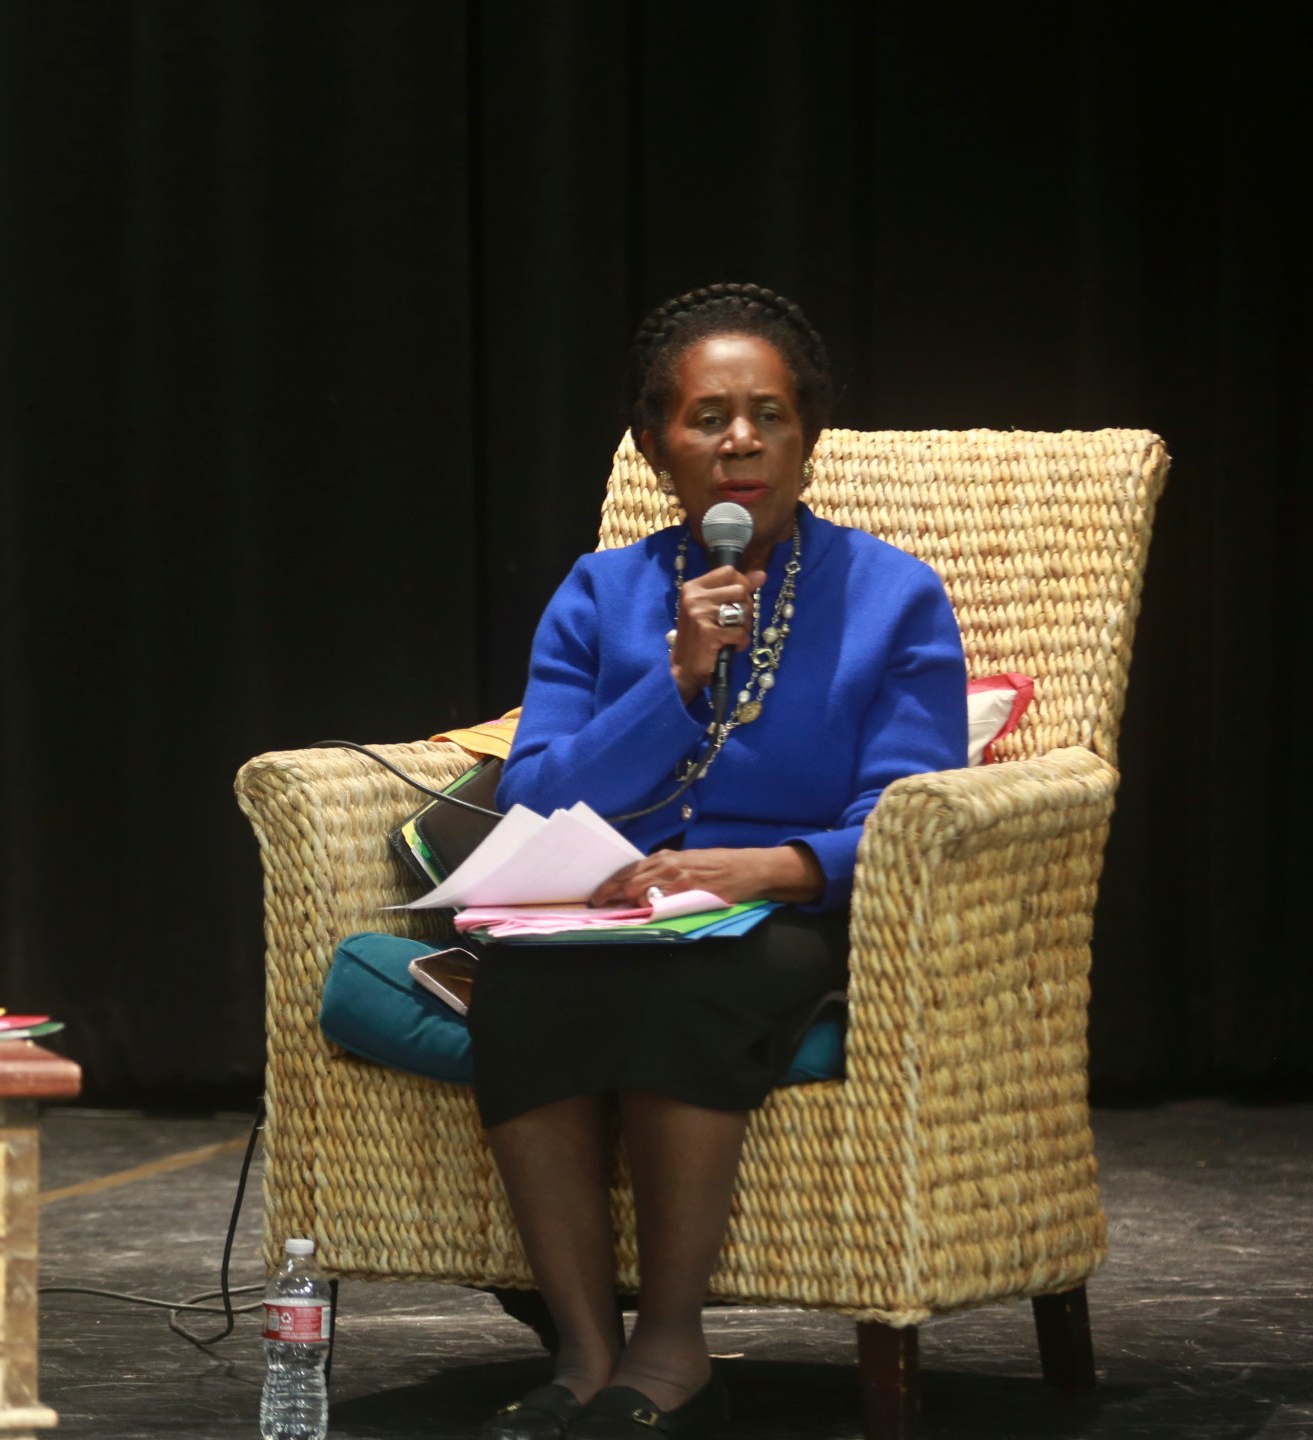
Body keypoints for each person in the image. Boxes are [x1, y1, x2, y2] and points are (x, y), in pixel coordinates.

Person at [467, 285, 966, 1438]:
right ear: (655, 446)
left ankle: (673, 1353)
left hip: (791, 909)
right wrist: (675, 677)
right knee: (526, 988)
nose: (739, 442)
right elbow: (536, 792)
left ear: (806, 436)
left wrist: (763, 869)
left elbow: (904, 811)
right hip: (615, 903)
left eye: (767, 416)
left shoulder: (892, 596)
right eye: (705, 418)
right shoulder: (602, 594)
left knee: (689, 985)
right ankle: (583, 1358)